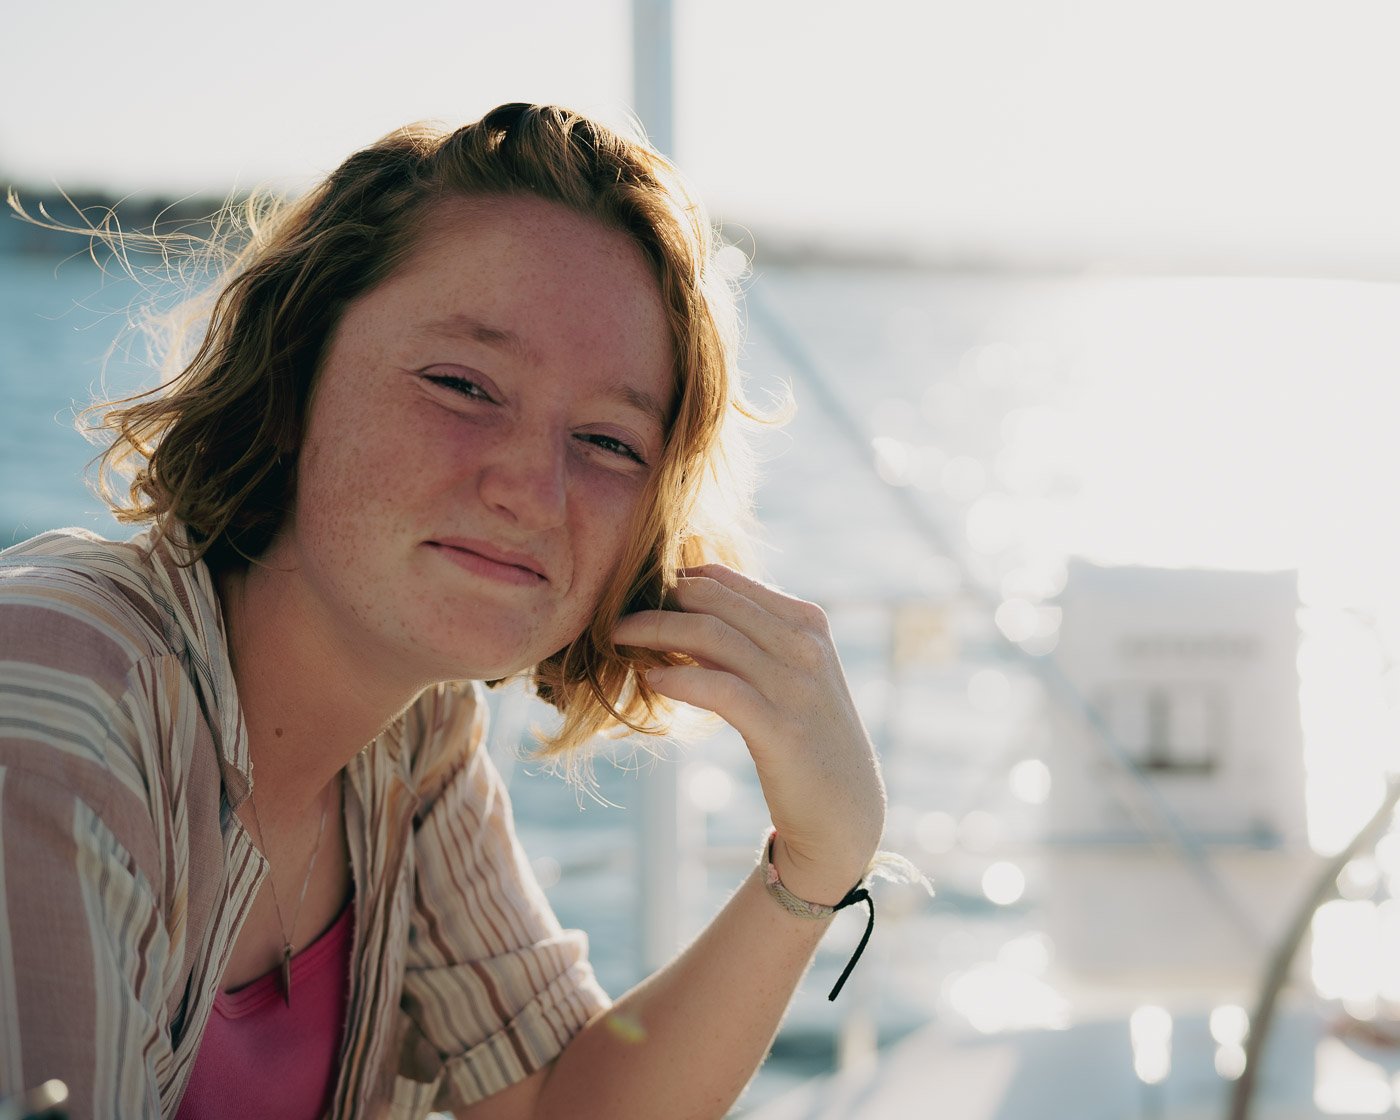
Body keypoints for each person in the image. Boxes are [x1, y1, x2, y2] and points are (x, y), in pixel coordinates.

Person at [0, 103, 893, 1119]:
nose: (531, 487)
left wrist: (818, 857)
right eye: (463, 384)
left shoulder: (413, 739)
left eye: (607, 443)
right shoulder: (56, 693)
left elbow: (561, 1107)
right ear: (292, 375)